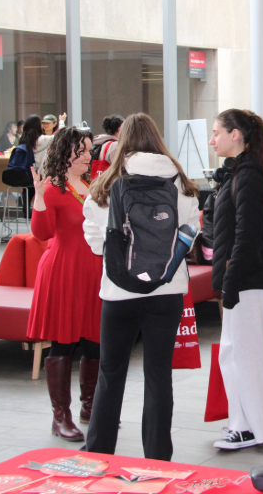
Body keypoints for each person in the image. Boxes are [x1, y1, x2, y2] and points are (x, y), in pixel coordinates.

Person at [82, 113, 200, 460]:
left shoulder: (107, 183)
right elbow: (189, 236)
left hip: (119, 292)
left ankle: (99, 453)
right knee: (159, 374)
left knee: (111, 372)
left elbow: (94, 241)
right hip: (167, 291)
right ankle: (159, 456)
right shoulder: (180, 181)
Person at [209, 108, 263, 450]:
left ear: (236, 135)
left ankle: (254, 428)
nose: (213, 139)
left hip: (247, 280)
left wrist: (231, 282)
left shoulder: (249, 175)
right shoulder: (241, 173)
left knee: (246, 356)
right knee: (234, 354)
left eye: (217, 132)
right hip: (245, 280)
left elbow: (246, 235)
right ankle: (242, 424)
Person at [26, 126, 102, 442]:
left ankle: (90, 407)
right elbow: (42, 234)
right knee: (62, 343)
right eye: (81, 151)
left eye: (88, 150)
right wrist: (39, 198)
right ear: (65, 153)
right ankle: (61, 416)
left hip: (94, 272)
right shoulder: (53, 188)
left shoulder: (90, 183)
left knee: (95, 341)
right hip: (64, 272)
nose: (88, 156)